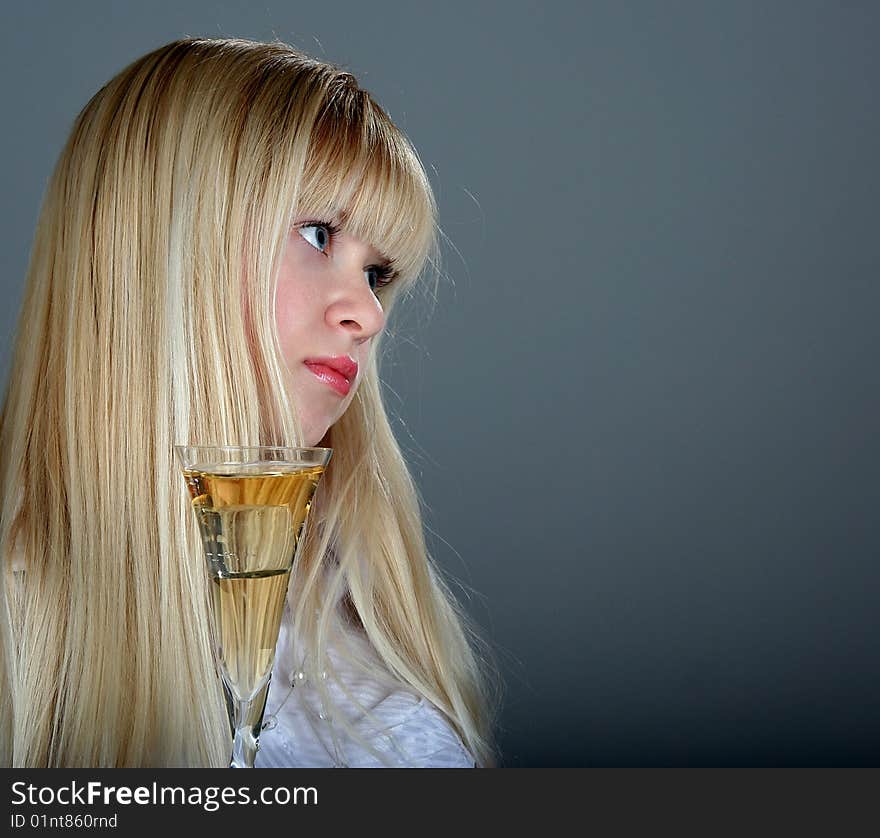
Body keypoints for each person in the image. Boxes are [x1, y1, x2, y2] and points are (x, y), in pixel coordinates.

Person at [0, 37, 500, 768]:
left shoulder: (359, 613)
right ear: (159, 241)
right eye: (317, 233)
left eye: (379, 271)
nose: (369, 312)